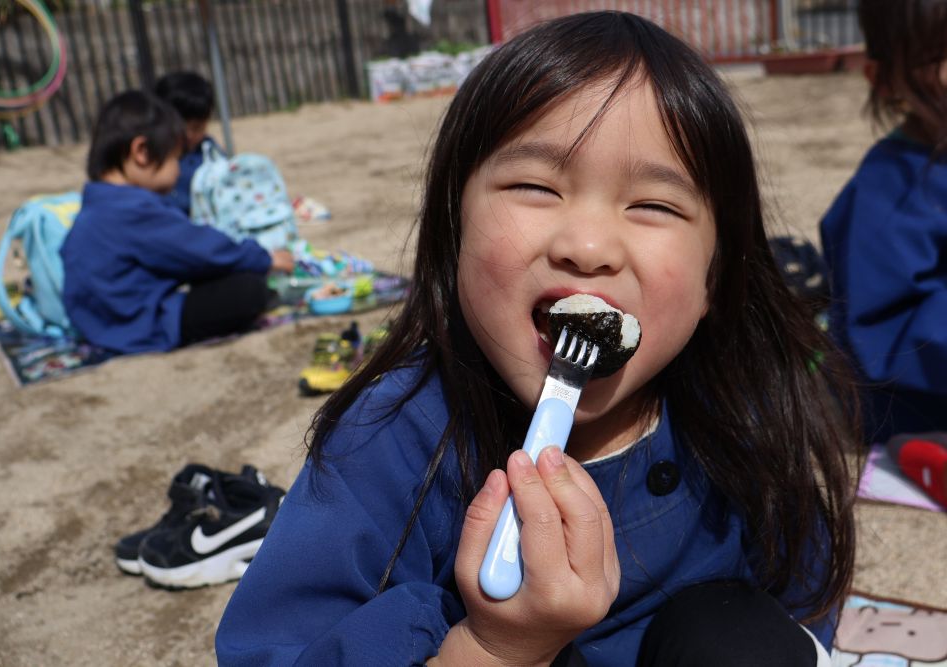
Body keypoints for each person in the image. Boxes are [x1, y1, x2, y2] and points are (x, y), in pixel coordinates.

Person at [216, 11, 860, 666]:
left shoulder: (736, 401)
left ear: (714, 280)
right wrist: (494, 647)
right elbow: (273, 648)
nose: (588, 247)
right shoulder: (387, 440)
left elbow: (801, 583)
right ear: (454, 230)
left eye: (653, 205)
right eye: (535, 187)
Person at [60, 90, 293, 355]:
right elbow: (201, 249)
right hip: (142, 325)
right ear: (142, 152)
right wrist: (262, 258)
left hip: (101, 324)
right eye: (174, 158)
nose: (178, 169)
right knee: (247, 289)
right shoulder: (133, 208)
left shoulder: (96, 205)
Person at [819, 0, 947, 443]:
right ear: (884, 78)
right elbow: (883, 331)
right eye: (938, 56)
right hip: (915, 406)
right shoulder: (891, 189)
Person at [153, 70, 218, 216]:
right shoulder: (150, 157)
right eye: (180, 127)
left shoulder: (210, 155)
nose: (188, 135)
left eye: (197, 128)